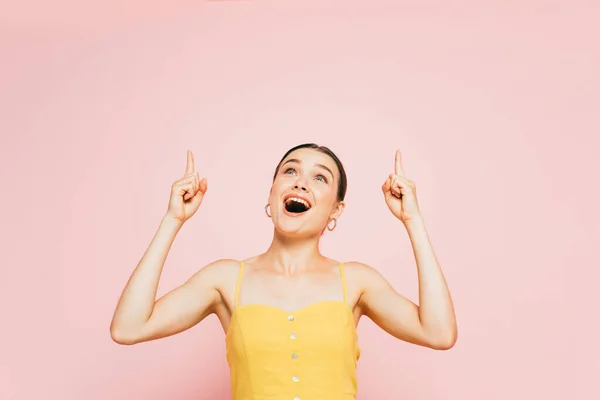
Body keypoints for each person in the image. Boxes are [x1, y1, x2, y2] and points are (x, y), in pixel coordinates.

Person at [110, 143, 457, 400]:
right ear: (272, 192)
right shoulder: (225, 279)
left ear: (336, 209)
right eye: (290, 171)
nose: (301, 183)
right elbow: (128, 327)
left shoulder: (356, 282)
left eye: (319, 177)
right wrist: (173, 220)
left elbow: (439, 333)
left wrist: (413, 220)